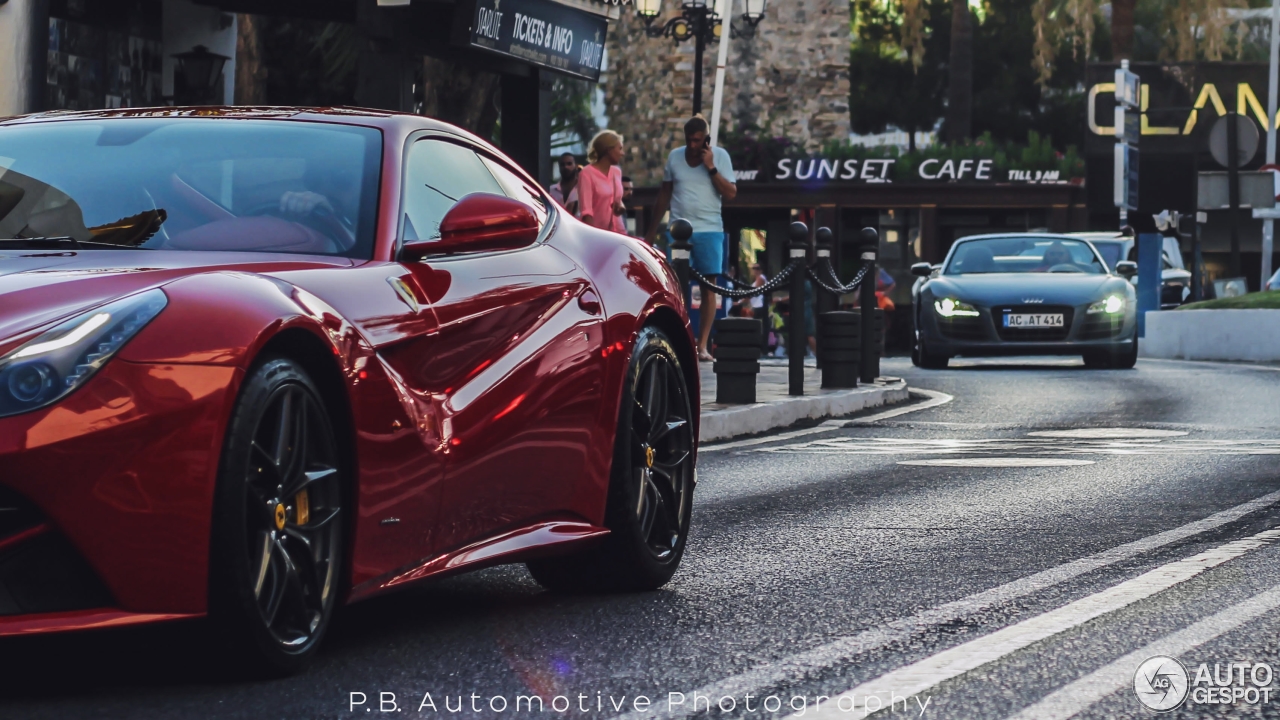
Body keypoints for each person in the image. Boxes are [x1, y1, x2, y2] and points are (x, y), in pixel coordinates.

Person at [645, 114, 738, 361]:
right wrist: (651, 231)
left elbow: (730, 193)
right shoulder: (675, 157)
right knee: (676, 285)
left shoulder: (720, 156)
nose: (693, 146)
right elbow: (664, 194)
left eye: (698, 141)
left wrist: (711, 167)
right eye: (689, 140)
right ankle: (679, 339)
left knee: (709, 286)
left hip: (710, 229)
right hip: (678, 230)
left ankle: (702, 345)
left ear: (706, 140)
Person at [577, 131, 627, 234]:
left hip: (619, 234)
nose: (623, 153)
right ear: (609, 150)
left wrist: (620, 205)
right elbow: (586, 212)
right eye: (620, 148)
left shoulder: (616, 172)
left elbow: (615, 197)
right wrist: (592, 237)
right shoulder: (586, 173)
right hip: (598, 235)